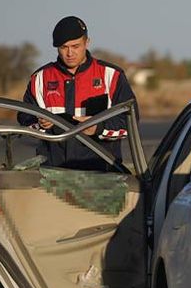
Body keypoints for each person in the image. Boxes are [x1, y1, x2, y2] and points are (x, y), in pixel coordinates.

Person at [17, 16, 138, 171]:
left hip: (103, 176)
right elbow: (24, 119)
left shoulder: (112, 76)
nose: (70, 53)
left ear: (87, 42)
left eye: (75, 46)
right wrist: (40, 124)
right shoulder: (39, 78)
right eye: (63, 47)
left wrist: (98, 128)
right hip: (52, 176)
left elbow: (129, 123)